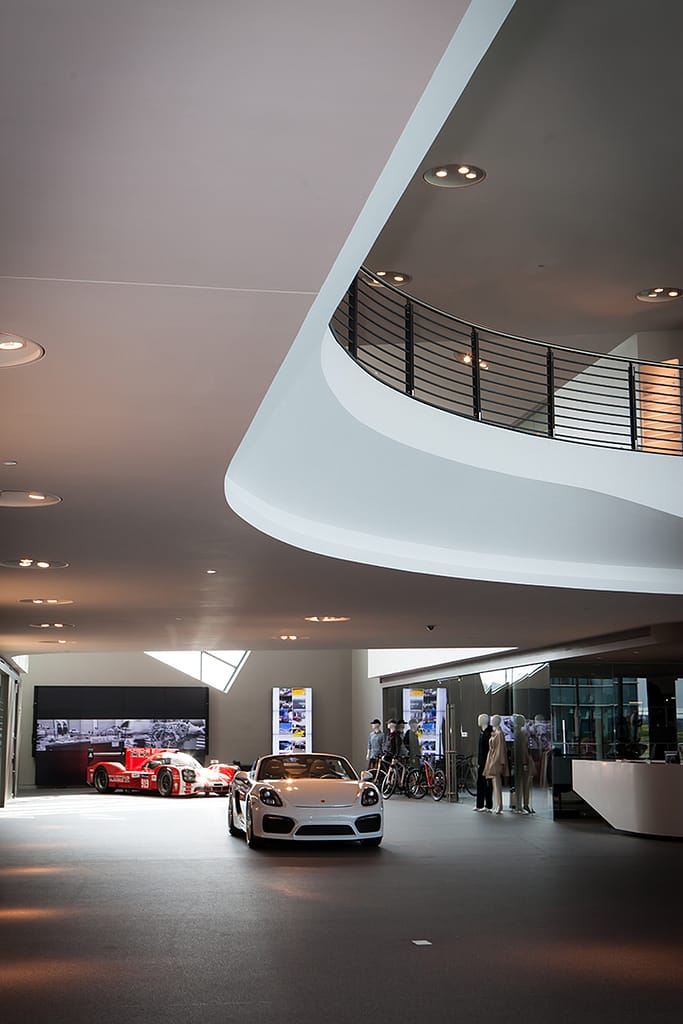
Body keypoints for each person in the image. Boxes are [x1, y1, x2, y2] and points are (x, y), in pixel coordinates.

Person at [483, 714, 507, 814]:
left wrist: (500, 762)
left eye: (493, 720)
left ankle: (499, 805)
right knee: (494, 783)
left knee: (497, 784)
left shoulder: (499, 733)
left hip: (495, 760)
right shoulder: (496, 732)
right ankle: (498, 805)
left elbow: (500, 749)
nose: (491, 721)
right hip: (492, 758)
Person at [475, 713, 493, 812]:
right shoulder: (482, 732)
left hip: (487, 761)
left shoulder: (489, 733)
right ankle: (479, 804)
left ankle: (488, 805)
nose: (478, 721)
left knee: (487, 784)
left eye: (480, 719)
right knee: (480, 783)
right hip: (482, 762)